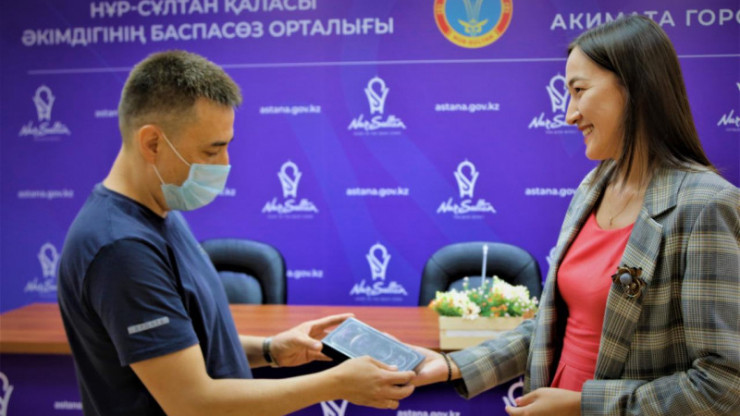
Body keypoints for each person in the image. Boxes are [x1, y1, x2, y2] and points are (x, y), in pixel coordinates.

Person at [411, 15, 740, 416]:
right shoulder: (593, 186)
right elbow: (551, 326)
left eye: (579, 91)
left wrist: (584, 404)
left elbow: (723, 384)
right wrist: (452, 366)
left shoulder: (706, 205)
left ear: (635, 88)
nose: (569, 114)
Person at [57, 50, 415, 416]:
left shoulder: (161, 212)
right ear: (152, 143)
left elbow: (182, 346)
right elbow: (192, 402)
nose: (226, 164)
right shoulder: (121, 249)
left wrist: (270, 350)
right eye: (212, 151)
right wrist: (335, 384)